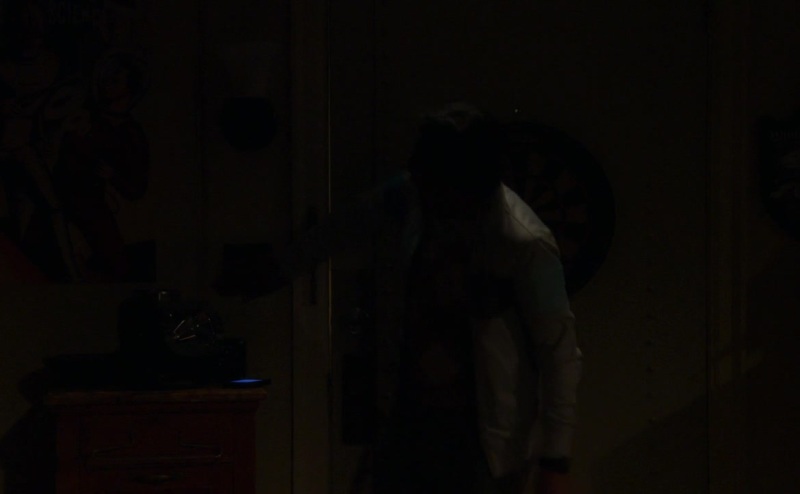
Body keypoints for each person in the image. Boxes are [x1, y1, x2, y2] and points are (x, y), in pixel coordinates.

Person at [215, 103, 582, 494]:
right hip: (409, 419)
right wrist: (279, 268)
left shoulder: (523, 243)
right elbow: (344, 226)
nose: (428, 197)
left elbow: (559, 353)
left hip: (483, 441)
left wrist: (555, 461)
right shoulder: (412, 195)